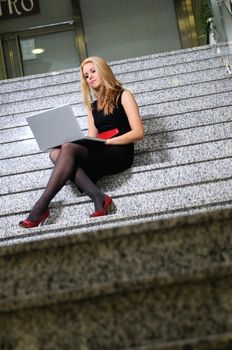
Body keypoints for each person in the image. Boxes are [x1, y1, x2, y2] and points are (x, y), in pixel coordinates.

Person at [19, 56, 144, 228]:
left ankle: (40, 207)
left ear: (103, 71)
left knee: (67, 149)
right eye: (86, 75)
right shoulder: (91, 106)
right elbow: (92, 134)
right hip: (102, 149)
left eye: (93, 71)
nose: (90, 77)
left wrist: (108, 142)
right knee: (56, 152)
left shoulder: (124, 95)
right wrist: (80, 140)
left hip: (120, 151)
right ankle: (98, 197)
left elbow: (138, 132)